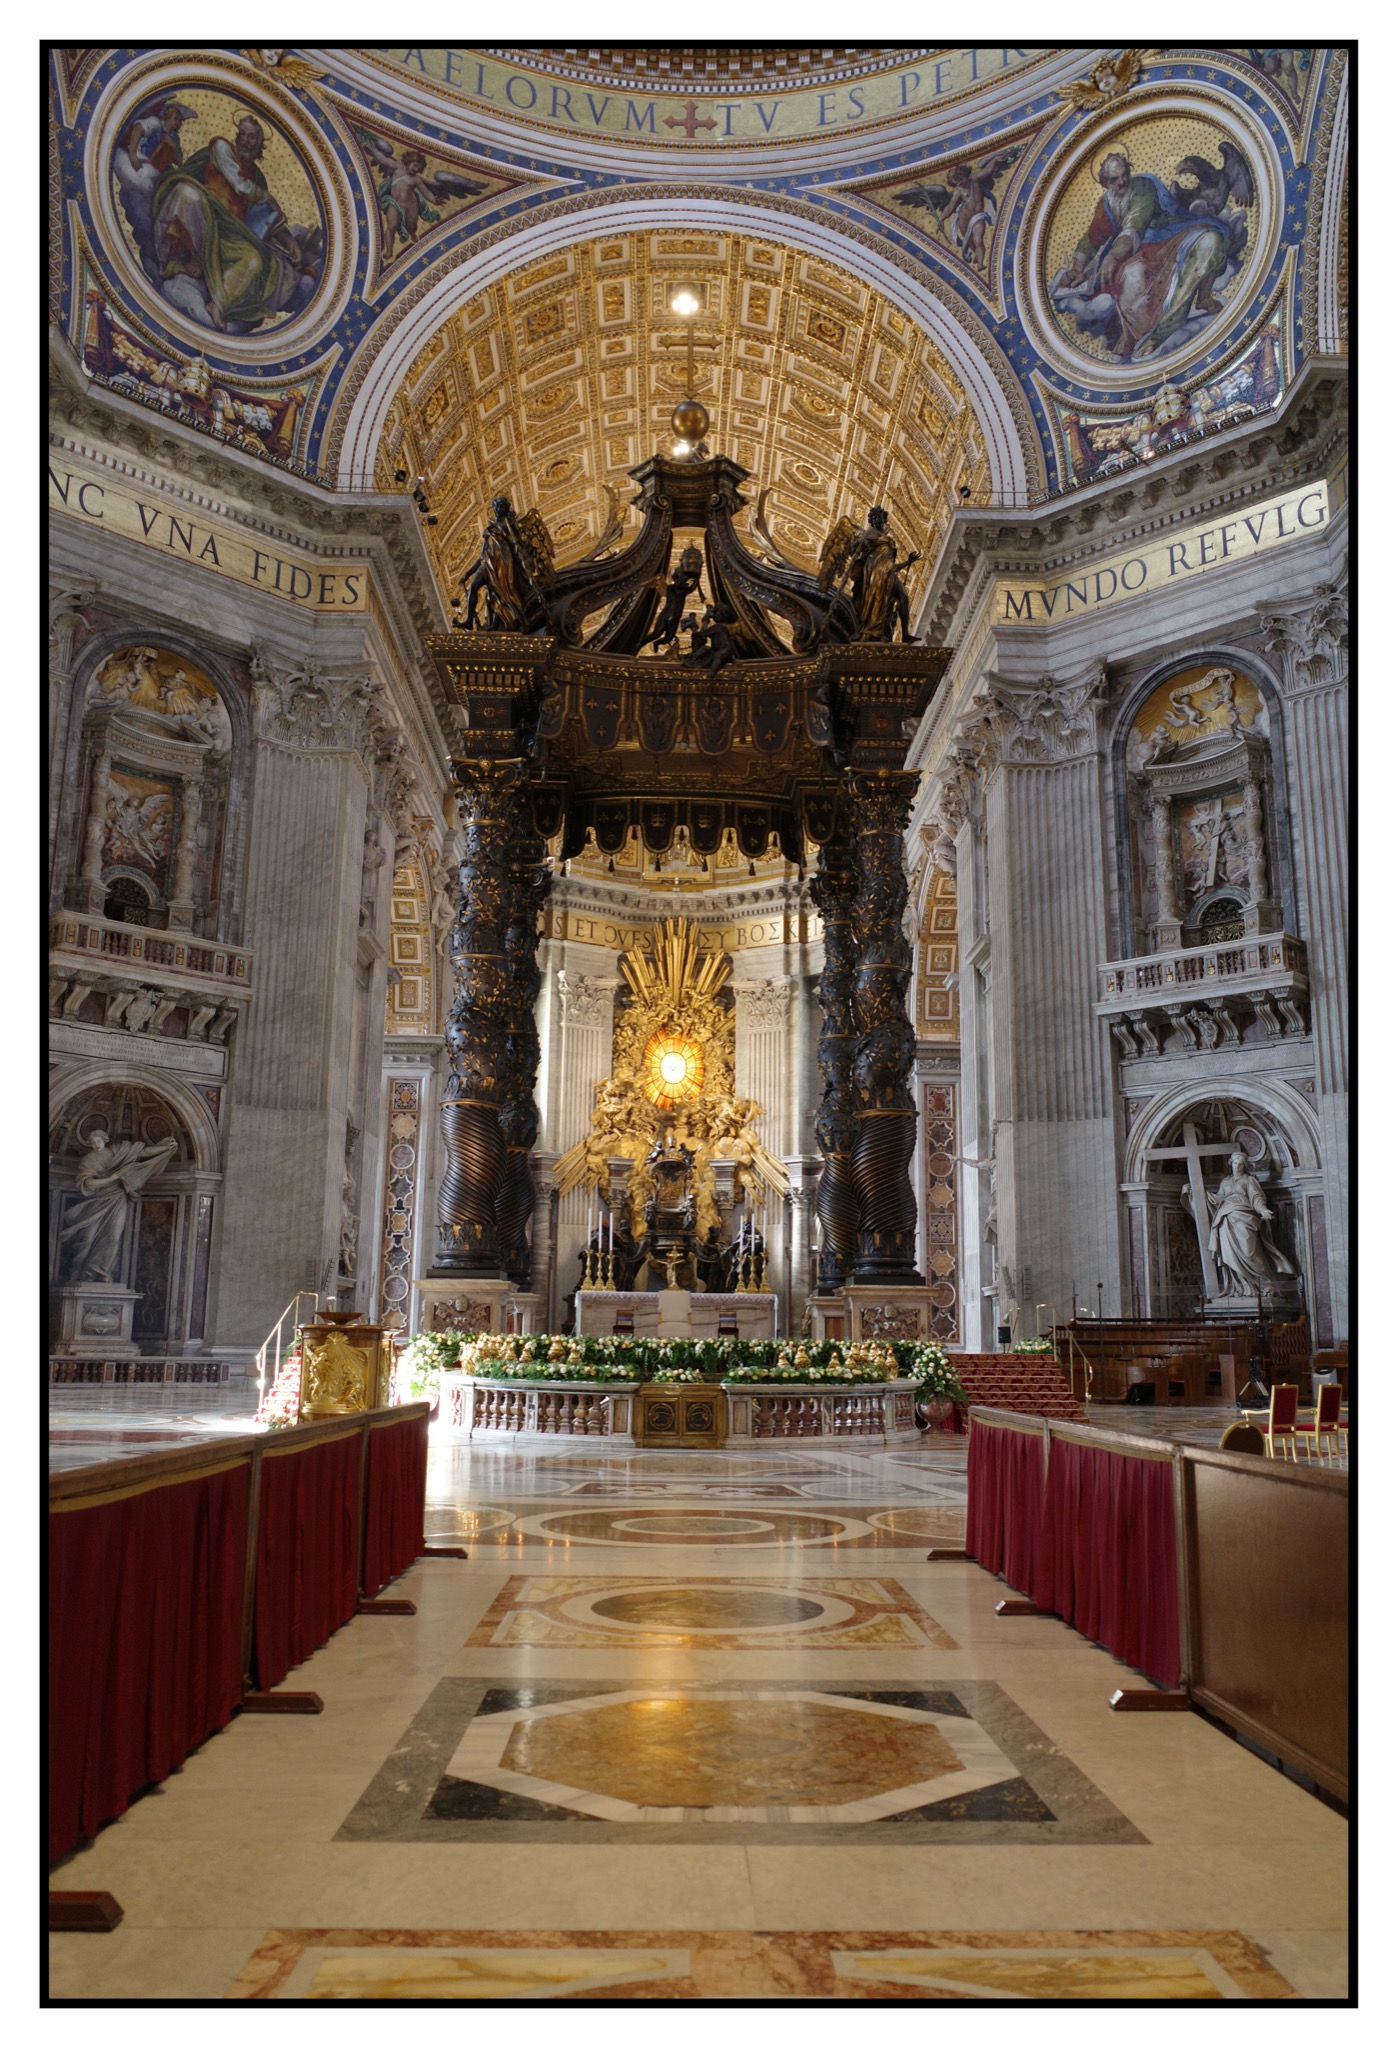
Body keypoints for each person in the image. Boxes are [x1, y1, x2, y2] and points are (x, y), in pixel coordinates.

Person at [1055, 150, 1240, 363]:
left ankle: (1172, 323)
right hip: (1141, 250)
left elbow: (1135, 223)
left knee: (1211, 240)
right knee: (1131, 276)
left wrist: (1113, 256)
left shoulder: (1143, 187)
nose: (1122, 182)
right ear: (1105, 183)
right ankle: (1134, 336)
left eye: (1125, 174)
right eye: (1115, 179)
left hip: (1171, 234)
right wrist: (1078, 268)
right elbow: (1092, 238)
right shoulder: (1106, 203)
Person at [59, 1128, 177, 1283]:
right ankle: (83, 1274)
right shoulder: (88, 1160)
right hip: (97, 1201)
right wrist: (113, 1178)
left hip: (118, 1199)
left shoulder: (118, 1151)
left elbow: (142, 1152)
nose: (96, 1144)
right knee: (87, 1238)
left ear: (104, 1139)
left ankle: (101, 1271)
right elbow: (88, 1183)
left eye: (98, 1141)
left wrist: (163, 1148)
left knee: (113, 1236)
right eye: (93, 1142)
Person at [1207, 1151, 1296, 1298]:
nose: (1237, 1166)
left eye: (1241, 1164)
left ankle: (1266, 1283)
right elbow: (1218, 1199)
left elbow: (1256, 1197)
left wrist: (1263, 1210)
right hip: (1225, 1219)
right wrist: (1198, 1193)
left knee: (1249, 1252)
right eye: (1235, 1163)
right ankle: (1239, 1288)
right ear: (1231, 1163)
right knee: (1229, 1254)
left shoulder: (1249, 1180)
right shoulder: (1225, 1182)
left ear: (1245, 1165)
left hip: (1244, 1217)